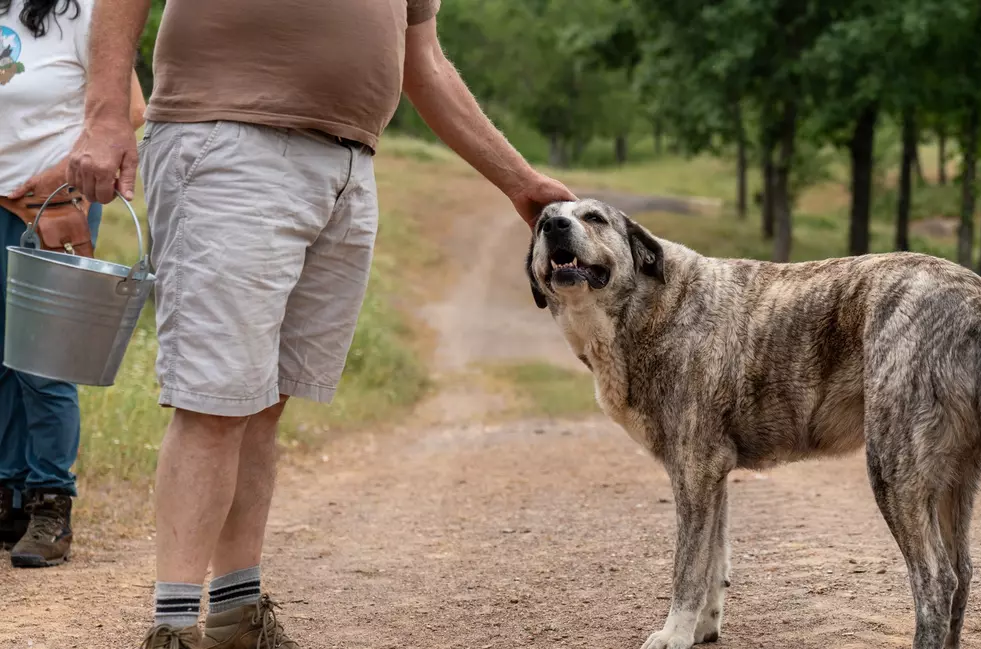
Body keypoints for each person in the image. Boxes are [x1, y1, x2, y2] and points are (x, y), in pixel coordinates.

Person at [66, 0, 576, 646]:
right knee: (215, 399)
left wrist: (518, 181)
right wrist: (106, 112)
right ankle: (172, 630)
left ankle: (233, 613)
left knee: (264, 401)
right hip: (229, 142)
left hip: (347, 169)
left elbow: (424, 60)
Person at [0, 0, 145, 569]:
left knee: (44, 360)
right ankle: (8, 494)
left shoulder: (87, 12)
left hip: (50, 202)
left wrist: (60, 175)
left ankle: (49, 505)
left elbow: (131, 110)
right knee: (2, 358)